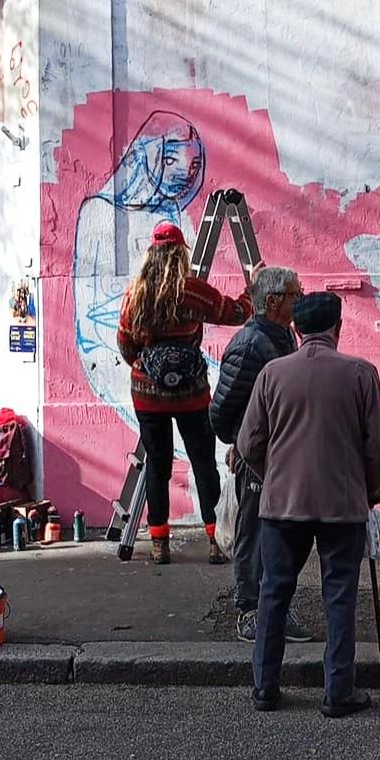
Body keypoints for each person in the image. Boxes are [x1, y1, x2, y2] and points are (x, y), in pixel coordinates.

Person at [237, 290, 380, 718]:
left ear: (296, 330)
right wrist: (370, 487)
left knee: (274, 593)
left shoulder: (272, 374)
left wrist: (270, 476)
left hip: (281, 504)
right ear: (338, 329)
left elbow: (248, 442)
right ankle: (337, 692)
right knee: (339, 596)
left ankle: (264, 687)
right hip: (342, 504)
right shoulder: (361, 373)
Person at [117, 220, 258, 565]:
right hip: (192, 394)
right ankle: (214, 539)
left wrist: (150, 367)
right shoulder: (194, 291)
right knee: (202, 463)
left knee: (157, 465)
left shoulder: (135, 294)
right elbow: (235, 312)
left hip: (147, 396)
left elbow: (125, 343)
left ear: (151, 254)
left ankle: (159, 543)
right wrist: (251, 289)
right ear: (181, 254)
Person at [208, 264, 314, 645]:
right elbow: (222, 408)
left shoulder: (281, 337)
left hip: (278, 454)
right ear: (273, 302)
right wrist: (238, 443)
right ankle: (249, 610)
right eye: (294, 295)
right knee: (252, 533)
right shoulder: (251, 344)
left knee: (281, 532)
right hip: (256, 457)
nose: (299, 300)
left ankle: (277, 607)